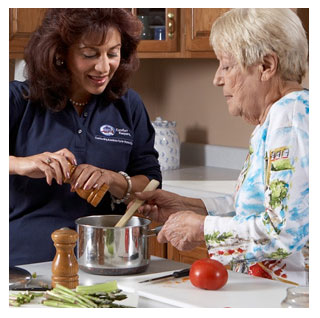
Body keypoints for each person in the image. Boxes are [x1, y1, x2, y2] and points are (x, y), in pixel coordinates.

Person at [136, 8, 309, 285]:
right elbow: (258, 211)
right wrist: (191, 207)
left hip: (288, 296)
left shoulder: (290, 117)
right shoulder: (277, 117)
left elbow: (283, 231)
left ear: (266, 66)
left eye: (227, 66)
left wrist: (202, 228)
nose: (217, 78)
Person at [9, 8, 161, 266]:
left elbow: (151, 182)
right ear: (60, 54)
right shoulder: (19, 100)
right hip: (26, 262)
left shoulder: (128, 104)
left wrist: (113, 179)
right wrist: (22, 164)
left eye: (113, 53)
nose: (104, 66)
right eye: (89, 54)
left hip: (109, 260)